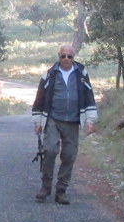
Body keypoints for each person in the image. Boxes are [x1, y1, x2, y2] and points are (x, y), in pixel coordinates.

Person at [31, 44, 98, 204]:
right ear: (58, 56)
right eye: (63, 56)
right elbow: (39, 99)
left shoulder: (81, 73)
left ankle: (61, 190)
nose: (66, 59)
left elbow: (89, 96)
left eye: (70, 56)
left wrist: (89, 120)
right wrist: (38, 121)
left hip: (73, 121)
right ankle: (45, 187)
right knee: (50, 150)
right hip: (53, 119)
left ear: (73, 57)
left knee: (69, 155)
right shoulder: (49, 74)